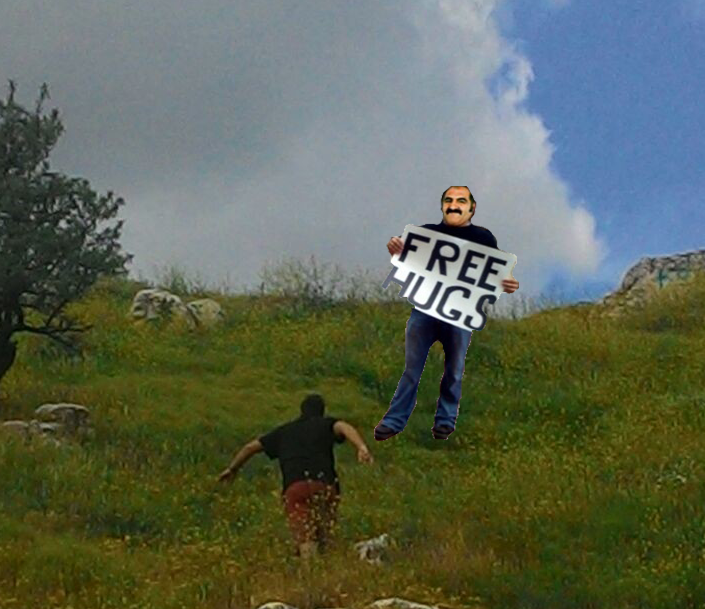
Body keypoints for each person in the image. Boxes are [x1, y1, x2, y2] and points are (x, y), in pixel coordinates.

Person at [376, 185, 519, 441]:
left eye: (461, 201)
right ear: (442, 205)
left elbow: (494, 272)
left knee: (454, 368)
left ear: (471, 208)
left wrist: (506, 282)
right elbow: (406, 259)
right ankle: (394, 420)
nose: (454, 205)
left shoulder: (484, 238)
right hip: (424, 310)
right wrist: (396, 249)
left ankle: (445, 420)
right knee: (411, 368)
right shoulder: (427, 233)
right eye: (448, 200)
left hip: (460, 314)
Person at [219, 393, 373, 561]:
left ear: (301, 410)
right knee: (326, 535)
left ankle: (311, 577)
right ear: (322, 411)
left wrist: (232, 469)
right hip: (325, 486)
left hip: (295, 488)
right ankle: (329, 571)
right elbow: (344, 427)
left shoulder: (285, 431)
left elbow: (250, 447)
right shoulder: (325, 424)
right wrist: (361, 447)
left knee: (306, 539)